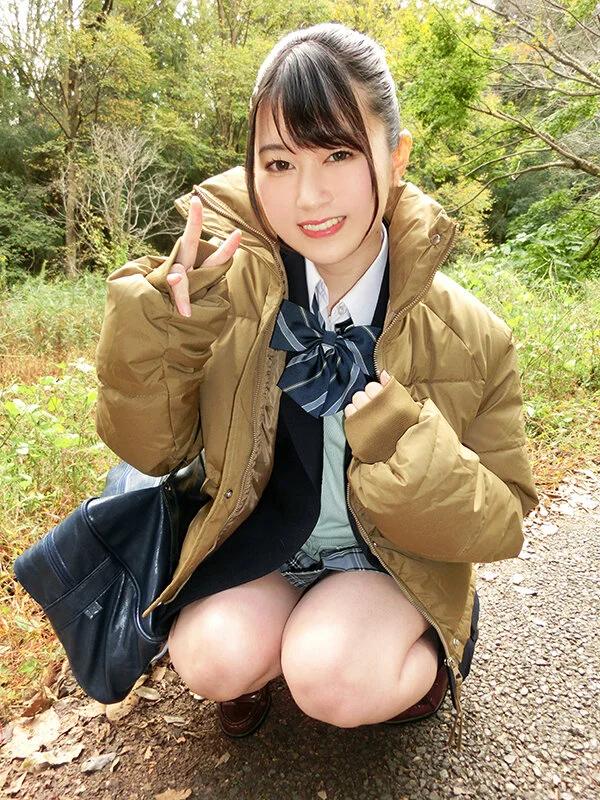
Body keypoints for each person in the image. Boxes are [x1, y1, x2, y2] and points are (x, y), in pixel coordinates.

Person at [95, 22, 539, 750]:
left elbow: (505, 518)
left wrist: (402, 443)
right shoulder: (216, 292)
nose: (308, 194)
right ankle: (270, 655)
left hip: (390, 563)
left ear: (395, 156)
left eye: (338, 153)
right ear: (251, 170)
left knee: (331, 674)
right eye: (279, 162)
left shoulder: (472, 334)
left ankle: (416, 663)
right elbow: (150, 452)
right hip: (263, 545)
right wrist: (166, 333)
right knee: (208, 657)